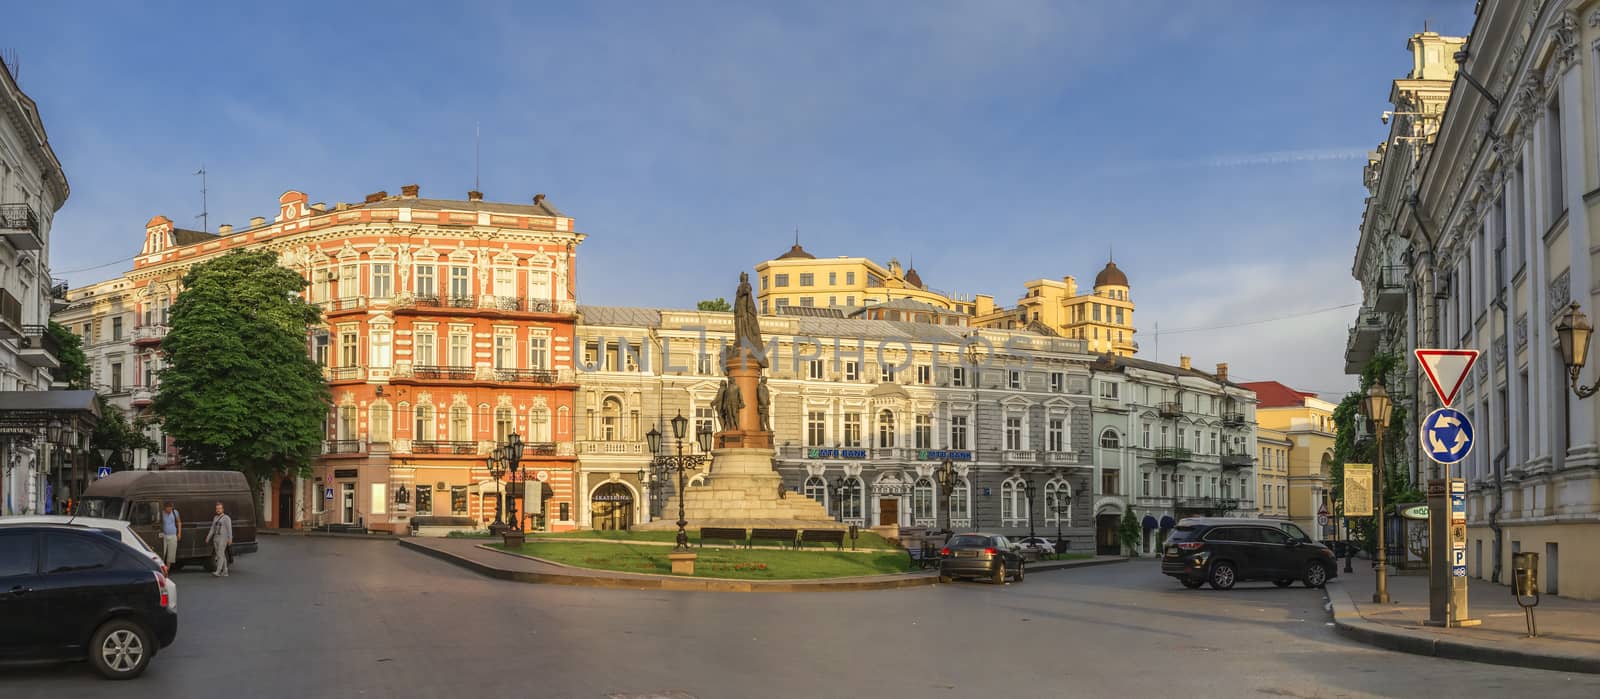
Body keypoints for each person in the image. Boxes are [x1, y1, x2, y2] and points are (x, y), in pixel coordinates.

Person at [204, 501, 233, 577]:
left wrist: (230, 538)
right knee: (221, 555)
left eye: (220, 508)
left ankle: (218, 571)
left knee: (220, 555)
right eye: (217, 508)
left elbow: (229, 529)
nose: (218, 510)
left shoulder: (226, 518)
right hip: (216, 538)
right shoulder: (215, 517)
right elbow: (212, 529)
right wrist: (208, 537)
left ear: (223, 509)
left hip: (223, 539)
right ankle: (225, 571)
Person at [159, 502, 182, 567]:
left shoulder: (175, 512)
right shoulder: (162, 513)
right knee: (162, 553)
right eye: (168, 509)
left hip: (173, 535)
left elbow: (179, 522)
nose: (170, 510)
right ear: (165, 508)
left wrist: (179, 533)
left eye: (171, 509)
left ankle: (168, 569)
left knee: (171, 554)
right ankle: (162, 567)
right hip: (164, 535)